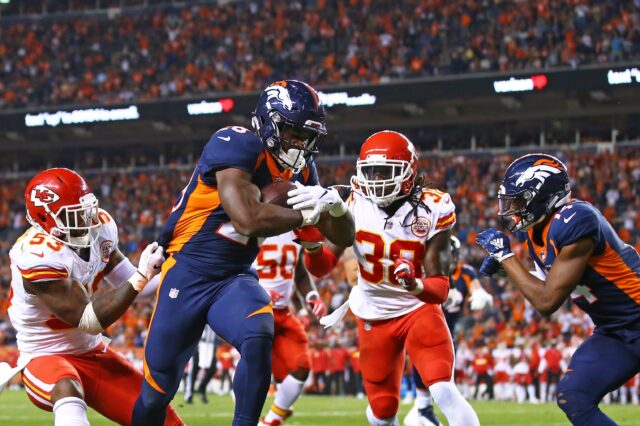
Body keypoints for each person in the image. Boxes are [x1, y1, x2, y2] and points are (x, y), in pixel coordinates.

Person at [132, 80, 355, 426]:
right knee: (156, 394)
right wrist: (309, 214)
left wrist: (337, 209)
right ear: (268, 121)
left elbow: (344, 235)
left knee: (258, 333)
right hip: (187, 271)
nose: (299, 145)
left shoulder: (301, 170)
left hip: (233, 276)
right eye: (292, 132)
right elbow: (247, 219)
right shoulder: (235, 142)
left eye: (306, 137)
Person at [306, 131, 479, 426]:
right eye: (371, 171)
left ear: (409, 172)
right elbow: (321, 267)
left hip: (416, 307)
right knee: (383, 410)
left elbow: (439, 289)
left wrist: (415, 284)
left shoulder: (433, 207)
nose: (376, 179)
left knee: (442, 388)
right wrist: (310, 242)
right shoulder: (352, 203)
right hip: (373, 311)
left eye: (386, 172)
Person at [6, 168, 183, 425]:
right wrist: (141, 275)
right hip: (44, 354)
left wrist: (174, 266)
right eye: (74, 214)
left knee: (161, 418)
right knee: (67, 389)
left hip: (92, 351)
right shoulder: (37, 254)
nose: (87, 219)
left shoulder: (99, 228)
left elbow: (138, 284)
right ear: (45, 218)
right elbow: (89, 319)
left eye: (86, 209)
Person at [476, 153, 640, 425]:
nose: (512, 210)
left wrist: (506, 258)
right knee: (574, 396)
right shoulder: (536, 233)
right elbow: (550, 285)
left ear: (544, 196)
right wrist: (507, 272)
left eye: (519, 201)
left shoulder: (576, 219)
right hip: (614, 331)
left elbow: (547, 301)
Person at [404, 235, 493, 426]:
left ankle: (422, 409)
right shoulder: (426, 272)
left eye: (451, 254)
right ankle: (422, 407)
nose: (448, 258)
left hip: (448, 333)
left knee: (443, 380)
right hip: (425, 328)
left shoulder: (465, 272)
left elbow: (475, 287)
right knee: (429, 370)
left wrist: (481, 294)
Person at [253, 227, 327, 425]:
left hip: (283, 313)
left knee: (301, 366)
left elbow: (300, 271)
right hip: (253, 311)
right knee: (254, 369)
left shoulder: (296, 230)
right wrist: (256, 291)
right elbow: (232, 269)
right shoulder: (250, 223)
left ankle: (273, 419)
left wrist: (312, 297)